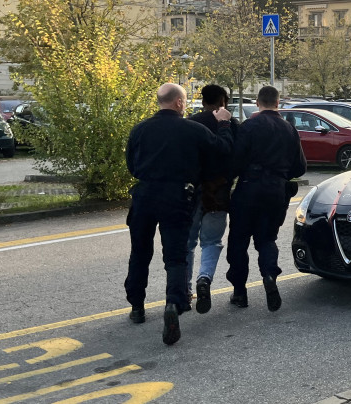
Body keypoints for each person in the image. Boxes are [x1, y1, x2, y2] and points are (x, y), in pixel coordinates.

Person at [124, 83, 233, 345]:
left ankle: (137, 307)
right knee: (175, 256)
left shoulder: (140, 129)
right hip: (177, 196)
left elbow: (131, 164)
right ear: (180, 103)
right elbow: (222, 151)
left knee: (140, 252)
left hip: (144, 195)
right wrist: (224, 124)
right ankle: (174, 303)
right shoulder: (192, 130)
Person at [226, 85, 306, 312]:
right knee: (267, 239)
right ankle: (269, 276)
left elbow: (235, 161)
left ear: (258, 103)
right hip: (276, 191)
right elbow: (300, 167)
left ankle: (240, 292)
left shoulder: (249, 126)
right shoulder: (289, 128)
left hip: (249, 188)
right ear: (278, 103)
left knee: (239, 241)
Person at [186, 84, 236, 314]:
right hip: (218, 193)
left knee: (188, 243)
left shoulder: (190, 123)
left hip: (192, 191)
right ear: (223, 101)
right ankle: (204, 278)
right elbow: (237, 157)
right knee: (211, 241)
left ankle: (185, 291)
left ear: (203, 100)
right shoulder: (232, 125)